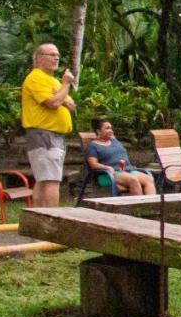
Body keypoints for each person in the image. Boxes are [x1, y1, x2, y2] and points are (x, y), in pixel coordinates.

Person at [21, 43, 74, 207]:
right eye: (51, 54)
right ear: (38, 58)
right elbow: (53, 103)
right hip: (44, 134)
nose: (56, 57)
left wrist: (61, 95)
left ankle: (40, 219)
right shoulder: (36, 77)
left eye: (57, 54)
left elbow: (71, 104)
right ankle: (52, 221)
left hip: (54, 135)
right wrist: (65, 85)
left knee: (44, 179)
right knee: (51, 180)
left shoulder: (52, 81)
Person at [85, 118, 155, 195]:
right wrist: (107, 167)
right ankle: (138, 206)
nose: (111, 130)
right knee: (133, 180)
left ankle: (150, 205)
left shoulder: (114, 141)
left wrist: (122, 168)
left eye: (111, 128)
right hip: (108, 174)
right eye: (107, 128)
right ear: (98, 131)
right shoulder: (93, 146)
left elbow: (120, 156)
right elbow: (93, 164)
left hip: (126, 170)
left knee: (149, 179)